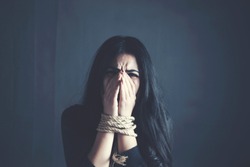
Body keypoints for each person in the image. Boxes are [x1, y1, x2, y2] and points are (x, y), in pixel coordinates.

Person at [61, 36, 173, 167]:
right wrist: (109, 118)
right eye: (112, 72)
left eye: (131, 74)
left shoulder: (158, 121)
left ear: (144, 82)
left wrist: (124, 120)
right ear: (99, 78)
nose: (120, 80)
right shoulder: (74, 118)